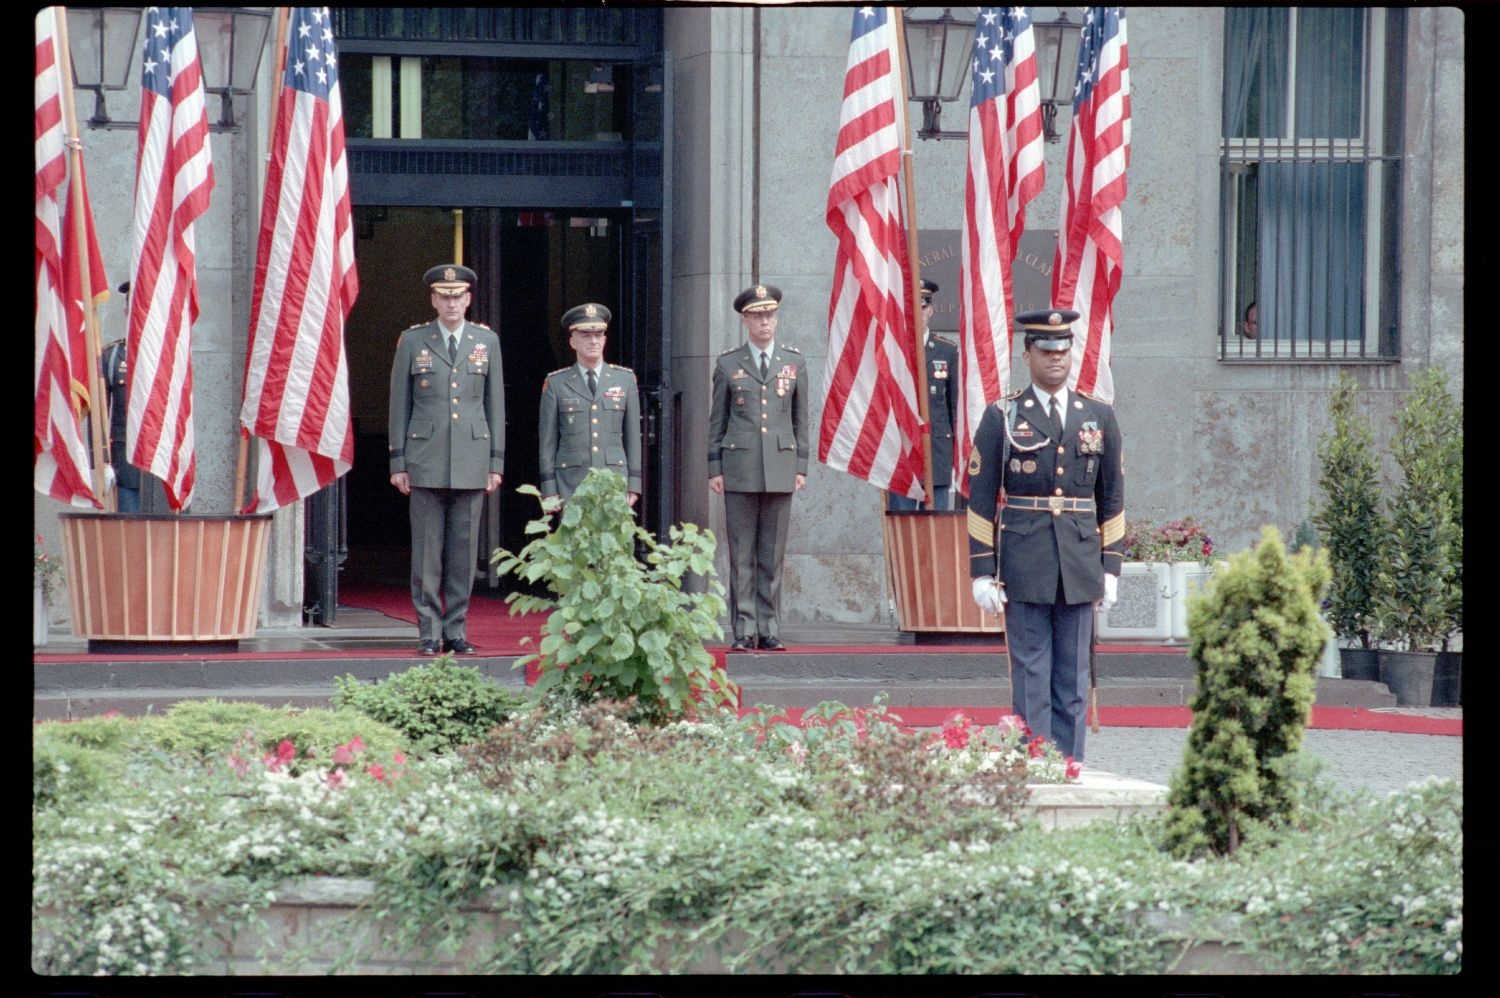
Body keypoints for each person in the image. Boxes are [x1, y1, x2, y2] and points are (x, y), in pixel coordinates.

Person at [966, 308, 1125, 762]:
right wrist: (982, 570)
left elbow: (1112, 499)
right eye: (1046, 350)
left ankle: (1070, 766)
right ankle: (1034, 764)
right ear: (1027, 353)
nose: (1056, 358)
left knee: (1073, 676)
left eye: (1063, 349)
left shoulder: (1097, 415)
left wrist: (1110, 567)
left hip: (1078, 563)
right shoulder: (1002, 416)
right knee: (1031, 672)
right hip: (1024, 558)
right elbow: (979, 500)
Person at [387, 264, 505, 657]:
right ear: (433, 299)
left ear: (468, 299)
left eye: (458, 296)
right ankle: (428, 630)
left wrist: (495, 461)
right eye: (444, 296)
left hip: (472, 460)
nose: (451, 302)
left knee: (463, 552)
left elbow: (495, 405)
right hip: (424, 460)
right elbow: (398, 406)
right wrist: (398, 461)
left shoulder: (485, 341)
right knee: (426, 552)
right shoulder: (413, 341)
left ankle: (456, 629)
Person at [708, 284, 808, 652]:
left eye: (770, 314)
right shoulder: (728, 364)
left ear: (776, 318)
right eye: (757, 315)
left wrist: (801, 466)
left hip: (781, 467)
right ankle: (743, 628)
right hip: (739, 468)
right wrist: (714, 467)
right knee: (742, 554)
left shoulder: (793, 361)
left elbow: (801, 420)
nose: (765, 321)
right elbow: (716, 421)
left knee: (772, 555)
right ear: (745, 320)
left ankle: (769, 628)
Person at [538, 302, 641, 506]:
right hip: (571, 482)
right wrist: (549, 487)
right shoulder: (556, 384)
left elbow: (632, 437)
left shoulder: (624, 380)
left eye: (598, 335)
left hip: (614, 480)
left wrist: (634, 484)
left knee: (612, 537)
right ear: (572, 342)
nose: (593, 341)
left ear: (604, 339)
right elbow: (547, 442)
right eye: (585, 335)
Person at [888, 278, 959, 512]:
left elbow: (954, 407)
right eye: (911, 307)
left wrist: (955, 456)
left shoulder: (947, 350)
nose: (918, 313)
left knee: (936, 529)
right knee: (903, 525)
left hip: (937, 452)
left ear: (931, 310)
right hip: (902, 450)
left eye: (923, 307)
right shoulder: (891, 349)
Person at [100, 281, 141, 512]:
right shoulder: (113, 356)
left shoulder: (170, 355)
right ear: (127, 312)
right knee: (130, 535)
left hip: (165, 469)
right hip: (127, 466)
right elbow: (100, 414)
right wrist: (103, 461)